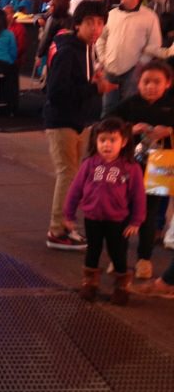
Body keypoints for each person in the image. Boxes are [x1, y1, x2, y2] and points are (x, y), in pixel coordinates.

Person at [44, 1, 118, 250]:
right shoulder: (69, 51)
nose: (96, 28)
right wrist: (94, 87)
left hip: (77, 120)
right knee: (68, 174)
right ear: (78, 24)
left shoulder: (86, 48)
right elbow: (56, 91)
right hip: (62, 120)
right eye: (90, 23)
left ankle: (65, 226)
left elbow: (76, 84)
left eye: (100, 23)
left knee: (72, 175)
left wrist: (92, 81)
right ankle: (58, 230)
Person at [64, 117, 145, 305]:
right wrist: (68, 214)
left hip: (118, 220)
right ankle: (90, 283)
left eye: (112, 140)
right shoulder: (89, 164)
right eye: (102, 140)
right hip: (93, 218)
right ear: (95, 141)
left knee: (118, 252)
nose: (107, 145)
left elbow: (138, 196)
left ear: (123, 142)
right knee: (93, 250)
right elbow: (75, 190)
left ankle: (121, 286)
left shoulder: (131, 168)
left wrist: (136, 220)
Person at [111, 60, 174, 279]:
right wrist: (129, 128)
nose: (151, 86)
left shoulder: (170, 105)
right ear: (139, 83)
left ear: (167, 84)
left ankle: (144, 260)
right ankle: (117, 258)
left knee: (149, 214)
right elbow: (106, 123)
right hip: (129, 167)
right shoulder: (130, 104)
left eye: (157, 82)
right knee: (123, 212)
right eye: (146, 81)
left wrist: (168, 131)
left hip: (159, 169)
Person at [95, 0, 162, 112]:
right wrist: (102, 57)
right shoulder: (112, 14)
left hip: (133, 69)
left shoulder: (149, 16)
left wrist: (141, 63)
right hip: (110, 66)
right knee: (108, 106)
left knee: (129, 106)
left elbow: (155, 44)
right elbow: (101, 38)